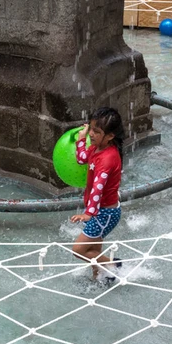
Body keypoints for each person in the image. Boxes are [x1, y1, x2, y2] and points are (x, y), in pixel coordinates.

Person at [69, 107, 124, 283]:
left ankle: (113, 265)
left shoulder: (108, 159)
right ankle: (99, 278)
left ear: (110, 136)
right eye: (91, 129)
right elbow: (81, 158)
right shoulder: (96, 148)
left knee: (79, 250)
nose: (92, 134)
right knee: (93, 249)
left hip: (105, 213)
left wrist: (88, 213)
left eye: (97, 131)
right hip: (100, 211)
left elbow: (98, 189)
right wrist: (81, 138)